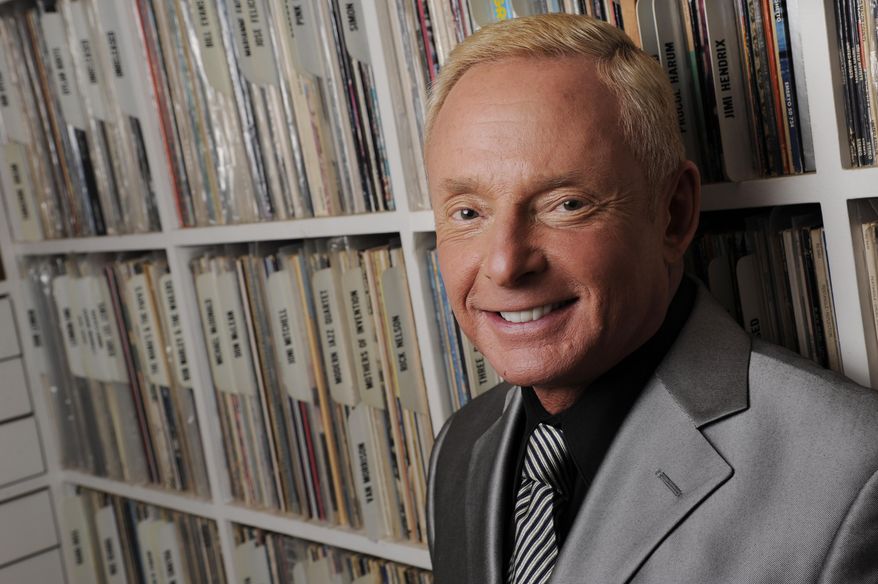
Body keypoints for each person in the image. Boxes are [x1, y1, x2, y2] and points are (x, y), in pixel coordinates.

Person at [424, 13, 878, 584]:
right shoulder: (459, 448)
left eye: (566, 203)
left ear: (674, 215)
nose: (506, 264)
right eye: (468, 213)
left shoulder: (854, 468)